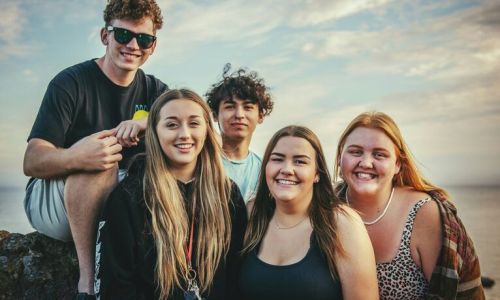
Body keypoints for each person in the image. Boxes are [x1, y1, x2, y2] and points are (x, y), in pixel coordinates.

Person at [22, 0, 167, 298]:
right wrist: (78, 156)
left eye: (144, 39)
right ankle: (88, 287)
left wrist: (145, 125)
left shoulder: (158, 94)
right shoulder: (70, 82)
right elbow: (32, 160)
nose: (133, 46)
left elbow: (198, 128)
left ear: (153, 46)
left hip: (116, 202)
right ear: (105, 36)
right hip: (55, 200)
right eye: (123, 35)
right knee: (102, 158)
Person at [94, 89, 247, 299]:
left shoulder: (228, 194)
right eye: (171, 125)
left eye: (194, 123)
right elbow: (115, 284)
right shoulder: (129, 197)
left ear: (207, 131)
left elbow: (236, 276)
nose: (184, 134)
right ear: (155, 132)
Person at [334, 111, 485, 300]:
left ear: (397, 164)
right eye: (355, 152)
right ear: (340, 156)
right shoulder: (325, 208)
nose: (365, 163)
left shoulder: (425, 213)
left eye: (379, 155)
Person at [239, 125, 378, 300]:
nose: (287, 169)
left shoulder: (341, 222)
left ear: (316, 174)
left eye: (300, 161)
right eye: (277, 159)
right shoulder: (252, 215)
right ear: (265, 166)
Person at [205, 64, 274, 203]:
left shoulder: (265, 171)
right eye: (230, 107)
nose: (239, 115)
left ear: (260, 116)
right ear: (214, 115)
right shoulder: (201, 162)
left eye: (248, 107)